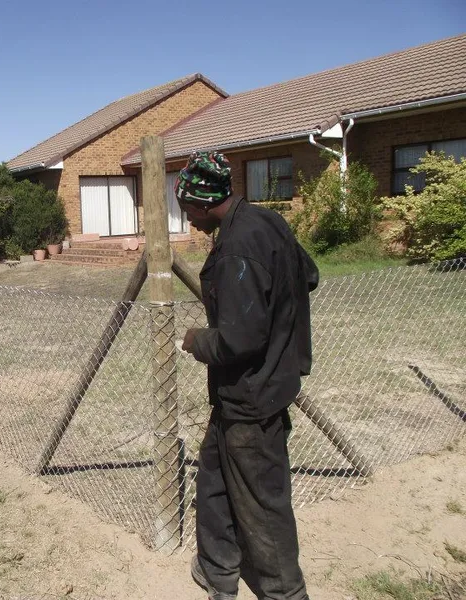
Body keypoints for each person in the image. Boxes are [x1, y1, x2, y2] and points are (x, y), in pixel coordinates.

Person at [175, 151, 319, 600]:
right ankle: (219, 572)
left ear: (201, 204)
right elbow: (308, 275)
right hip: (248, 391)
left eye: (187, 211)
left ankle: (284, 591)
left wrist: (196, 339)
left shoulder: (237, 246)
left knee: (263, 501)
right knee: (215, 481)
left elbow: (239, 340)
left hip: (253, 394)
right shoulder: (267, 222)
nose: (189, 222)